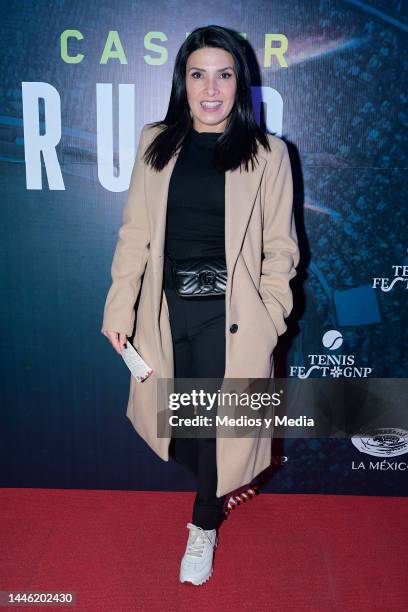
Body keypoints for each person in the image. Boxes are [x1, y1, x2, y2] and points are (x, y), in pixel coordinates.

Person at [101, 24, 300, 586]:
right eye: (198, 75)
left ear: (240, 83)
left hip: (231, 315)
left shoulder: (268, 155)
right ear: (182, 81)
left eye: (224, 74)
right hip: (166, 313)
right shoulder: (155, 142)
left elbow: (281, 249)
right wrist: (119, 309)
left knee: (218, 424)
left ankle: (203, 524)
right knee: (186, 425)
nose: (210, 89)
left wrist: (270, 315)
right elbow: (134, 235)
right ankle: (211, 495)